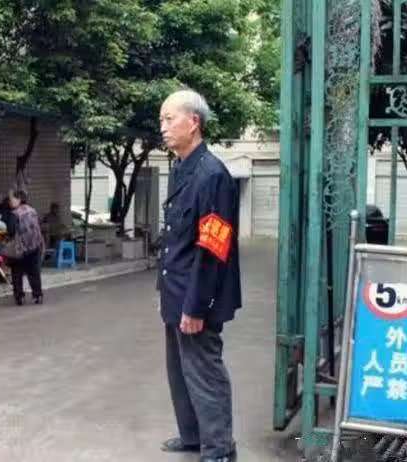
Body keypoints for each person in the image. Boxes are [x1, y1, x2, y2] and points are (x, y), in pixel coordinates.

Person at [156, 89, 241, 462]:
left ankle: (219, 448)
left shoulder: (212, 175)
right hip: (175, 289)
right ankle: (192, 435)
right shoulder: (180, 168)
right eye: (161, 120)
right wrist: (166, 291)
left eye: (169, 118)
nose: (163, 127)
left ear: (193, 122)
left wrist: (196, 307)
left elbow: (212, 248)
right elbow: (176, 239)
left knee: (204, 371)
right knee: (179, 370)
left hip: (197, 297)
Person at [3, 189, 44, 306]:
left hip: (20, 248)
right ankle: (37, 295)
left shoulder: (14, 214)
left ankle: (19, 297)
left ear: (19, 199)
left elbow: (11, 231)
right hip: (35, 246)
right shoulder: (32, 210)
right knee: (34, 272)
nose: (10, 202)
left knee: (17, 272)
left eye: (12, 199)